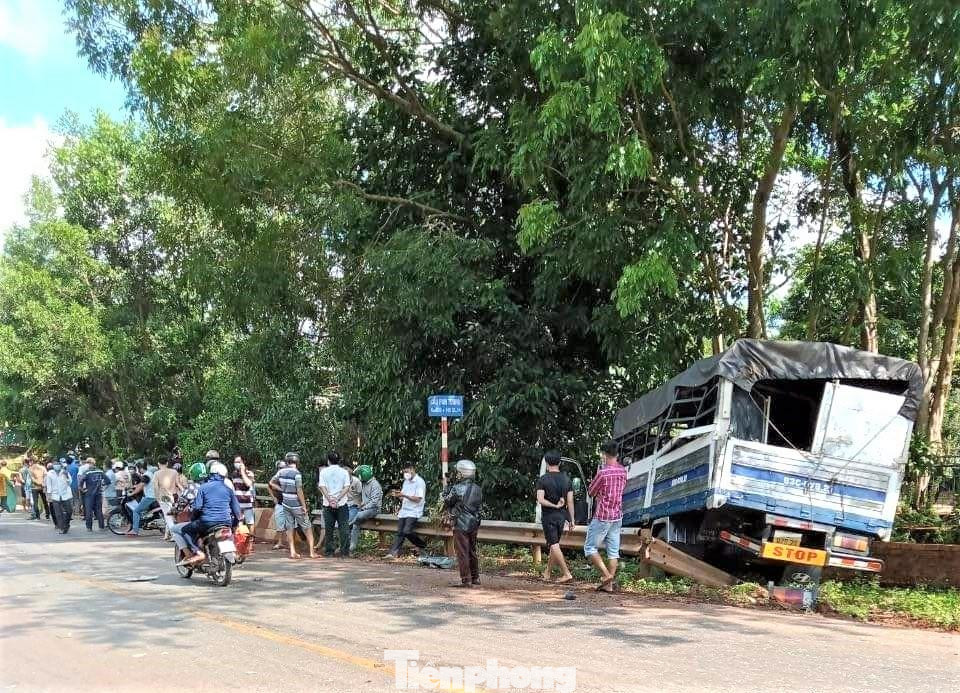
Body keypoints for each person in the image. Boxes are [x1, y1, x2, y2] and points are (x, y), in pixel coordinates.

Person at [584, 440, 627, 592]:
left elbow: (591, 491)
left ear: (604, 454)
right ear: (617, 454)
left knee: (589, 548)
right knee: (613, 551)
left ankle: (607, 575)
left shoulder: (602, 473)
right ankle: (608, 585)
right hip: (617, 515)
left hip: (603, 515)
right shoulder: (623, 471)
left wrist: (600, 494)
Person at [180, 461, 242, 565]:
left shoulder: (203, 487)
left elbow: (197, 508)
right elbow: (237, 512)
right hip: (226, 522)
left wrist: (193, 520)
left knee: (185, 530)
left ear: (212, 474)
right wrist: (234, 525)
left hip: (207, 522)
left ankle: (198, 552)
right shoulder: (228, 490)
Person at [536, 450, 576, 584]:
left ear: (547, 463)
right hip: (562, 517)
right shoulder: (566, 479)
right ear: (559, 463)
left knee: (553, 544)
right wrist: (572, 519)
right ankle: (547, 572)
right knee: (555, 545)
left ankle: (566, 573)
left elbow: (540, 499)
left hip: (549, 516)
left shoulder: (543, 479)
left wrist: (553, 506)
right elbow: (570, 501)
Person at [442, 459, 483, 587]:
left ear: (462, 473)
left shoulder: (457, 488)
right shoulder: (477, 488)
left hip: (461, 523)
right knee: (472, 550)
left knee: (462, 552)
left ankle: (466, 579)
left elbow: (447, 501)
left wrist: (446, 487)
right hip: (473, 523)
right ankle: (475, 577)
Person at [269, 453, 317, 559]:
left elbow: (271, 483)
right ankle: (312, 552)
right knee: (307, 527)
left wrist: (282, 489)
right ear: (297, 462)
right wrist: (304, 505)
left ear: (287, 462)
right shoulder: (297, 474)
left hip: (286, 504)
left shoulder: (281, 472)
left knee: (289, 527)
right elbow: (299, 490)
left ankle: (292, 551)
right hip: (296, 505)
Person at [386, 463, 427, 558]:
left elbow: (418, 499)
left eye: (407, 471)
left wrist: (404, 495)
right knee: (400, 532)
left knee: (407, 531)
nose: (405, 474)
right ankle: (393, 553)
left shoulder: (419, 482)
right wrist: (398, 496)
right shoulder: (406, 482)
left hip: (414, 511)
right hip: (404, 511)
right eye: (404, 472)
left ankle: (422, 545)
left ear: (412, 470)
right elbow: (404, 496)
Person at [171, 462, 206, 562]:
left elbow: (180, 505)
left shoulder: (192, 488)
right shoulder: (211, 486)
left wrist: (173, 512)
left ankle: (189, 554)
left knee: (175, 529)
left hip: (201, 520)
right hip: (220, 519)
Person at [318, 451, 351, 557]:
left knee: (329, 529)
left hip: (328, 504)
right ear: (339, 461)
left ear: (328, 461)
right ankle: (344, 552)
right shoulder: (344, 472)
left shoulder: (323, 472)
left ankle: (329, 552)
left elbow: (322, 487)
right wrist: (337, 499)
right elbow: (346, 487)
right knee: (344, 529)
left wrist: (330, 499)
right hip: (342, 503)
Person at [350, 464, 383, 553]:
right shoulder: (364, 484)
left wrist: (364, 508)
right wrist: (360, 505)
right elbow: (364, 499)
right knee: (356, 524)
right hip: (364, 508)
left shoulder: (375, 485)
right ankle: (352, 546)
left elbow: (374, 502)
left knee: (359, 515)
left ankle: (350, 522)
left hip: (374, 509)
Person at [153, 457, 184, 540]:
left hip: (164, 497)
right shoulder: (174, 472)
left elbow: (156, 487)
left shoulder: (157, 473)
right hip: (174, 495)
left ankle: (175, 536)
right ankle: (167, 535)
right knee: (170, 516)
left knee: (168, 518)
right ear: (167, 463)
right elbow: (178, 484)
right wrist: (184, 492)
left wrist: (157, 497)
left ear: (158, 464)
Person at [126, 461, 157, 537]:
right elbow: (140, 484)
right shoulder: (148, 474)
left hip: (150, 497)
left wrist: (132, 493)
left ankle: (135, 530)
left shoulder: (146, 475)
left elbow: (141, 486)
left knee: (136, 511)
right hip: (150, 496)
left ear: (141, 468)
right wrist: (132, 487)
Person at [46, 460, 74, 534]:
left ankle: (66, 524)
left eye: (58, 464)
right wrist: (48, 496)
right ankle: (62, 528)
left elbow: (70, 482)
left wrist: (67, 475)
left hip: (66, 495)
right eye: (55, 464)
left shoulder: (65, 472)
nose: (56, 465)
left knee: (69, 511)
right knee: (58, 513)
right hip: (55, 495)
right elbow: (49, 485)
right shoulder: (49, 474)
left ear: (60, 465)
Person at [79, 458, 107, 531]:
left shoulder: (87, 472)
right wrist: (103, 488)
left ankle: (89, 527)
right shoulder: (100, 471)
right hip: (98, 493)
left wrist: (83, 490)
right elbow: (107, 481)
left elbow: (81, 482)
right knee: (99, 510)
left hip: (89, 494)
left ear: (90, 463)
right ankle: (101, 526)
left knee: (89, 511)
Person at [230, 455, 255, 526]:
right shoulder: (233, 474)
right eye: (235, 462)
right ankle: (240, 537)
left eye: (238, 462)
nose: (236, 464)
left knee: (250, 523)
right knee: (238, 524)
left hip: (247, 502)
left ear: (243, 462)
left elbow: (248, 484)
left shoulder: (249, 473)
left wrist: (243, 472)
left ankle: (251, 537)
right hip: (237, 504)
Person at [269, 460, 288, 551]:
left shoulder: (289, 475)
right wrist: (273, 497)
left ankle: (290, 543)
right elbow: (269, 485)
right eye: (280, 468)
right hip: (280, 503)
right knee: (279, 523)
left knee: (291, 524)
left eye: (284, 467)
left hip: (289, 503)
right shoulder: (276, 477)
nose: (282, 469)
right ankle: (280, 542)